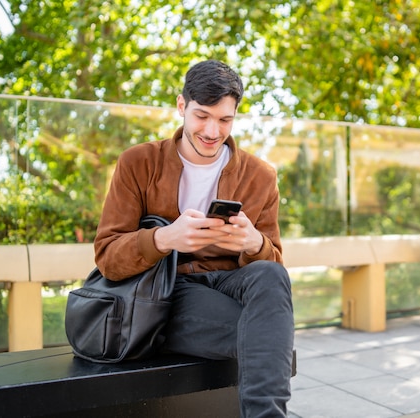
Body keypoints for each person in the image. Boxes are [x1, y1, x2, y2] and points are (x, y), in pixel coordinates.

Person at [93, 60, 294, 417]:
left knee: (271, 277)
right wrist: (164, 239)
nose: (212, 131)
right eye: (202, 116)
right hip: (170, 289)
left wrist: (253, 245)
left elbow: (274, 259)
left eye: (224, 120)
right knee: (268, 336)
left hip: (231, 281)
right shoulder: (138, 163)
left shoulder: (260, 175)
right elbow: (108, 257)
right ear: (181, 106)